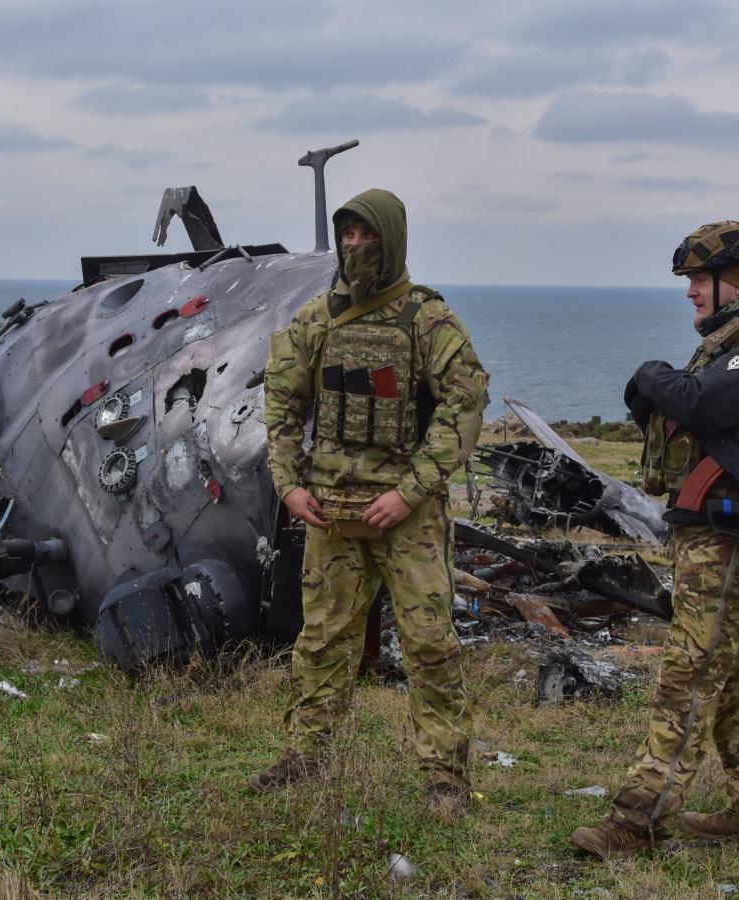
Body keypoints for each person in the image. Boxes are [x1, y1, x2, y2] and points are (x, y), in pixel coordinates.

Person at [571, 221, 739, 857]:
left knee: (689, 675)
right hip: (711, 534)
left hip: (733, 539)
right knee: (733, 679)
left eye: (696, 280)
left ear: (734, 281)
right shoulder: (734, 343)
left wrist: (650, 373)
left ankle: (638, 820)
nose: (689, 293)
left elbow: (704, 405)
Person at [252, 188, 489, 816]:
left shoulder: (427, 320)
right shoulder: (317, 319)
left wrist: (410, 491)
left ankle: (445, 777)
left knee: (429, 640)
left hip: (405, 515)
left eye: (368, 236)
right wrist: (289, 484)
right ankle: (307, 755)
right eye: (347, 235)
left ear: (392, 239)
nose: (355, 247)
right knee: (323, 637)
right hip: (331, 508)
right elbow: (281, 402)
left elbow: (463, 408)